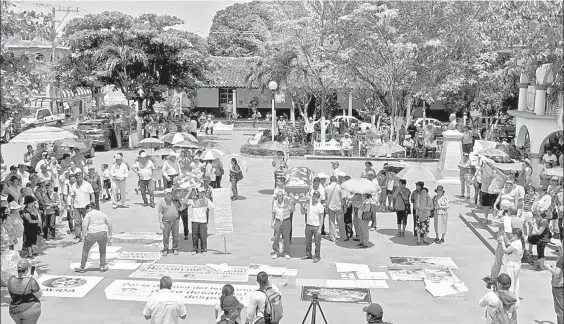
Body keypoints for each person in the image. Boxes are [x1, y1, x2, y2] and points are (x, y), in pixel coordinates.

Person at [75, 203, 112, 273]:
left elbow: (84, 226)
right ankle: (102, 266)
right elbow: (109, 223)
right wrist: (110, 234)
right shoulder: (102, 214)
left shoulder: (88, 215)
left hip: (92, 233)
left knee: (86, 249)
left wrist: (83, 236)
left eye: (87, 210)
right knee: (102, 250)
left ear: (89, 208)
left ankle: (82, 267)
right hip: (102, 233)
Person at [7, 259, 42, 324]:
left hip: (14, 310)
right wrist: (36, 279)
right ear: (28, 269)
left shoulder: (11, 279)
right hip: (29, 310)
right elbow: (39, 294)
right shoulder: (31, 281)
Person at [184, 187, 214, 255]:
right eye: (200, 192)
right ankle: (195, 249)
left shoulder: (207, 200)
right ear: (198, 193)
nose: (202, 193)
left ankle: (204, 250)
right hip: (195, 220)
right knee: (195, 237)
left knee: (203, 236)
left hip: (203, 221)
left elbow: (212, 207)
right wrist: (190, 192)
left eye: (203, 192)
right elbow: (185, 201)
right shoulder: (193, 200)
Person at [498, 228, 523, 301]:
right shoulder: (517, 242)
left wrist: (502, 242)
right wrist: (505, 236)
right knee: (515, 281)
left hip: (512, 264)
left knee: (511, 281)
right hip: (516, 263)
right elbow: (509, 245)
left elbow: (506, 250)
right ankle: (515, 296)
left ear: (515, 235)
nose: (510, 235)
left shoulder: (516, 243)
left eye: (512, 234)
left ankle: (510, 297)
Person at [70, 172, 95, 241]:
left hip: (86, 206)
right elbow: (72, 197)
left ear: (82, 177)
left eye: (80, 177)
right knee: (77, 222)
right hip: (77, 207)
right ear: (76, 178)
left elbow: (92, 194)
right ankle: (78, 236)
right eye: (77, 178)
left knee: (87, 221)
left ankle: (89, 235)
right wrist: (71, 207)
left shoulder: (87, 184)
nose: (79, 179)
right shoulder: (73, 186)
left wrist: (92, 204)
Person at [271, 191, 295, 260]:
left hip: (286, 221)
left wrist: (290, 203)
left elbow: (293, 209)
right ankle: (276, 252)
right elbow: (273, 213)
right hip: (278, 221)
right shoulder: (275, 203)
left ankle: (286, 252)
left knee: (286, 237)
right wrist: (272, 222)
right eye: (278, 196)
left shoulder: (287, 202)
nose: (280, 198)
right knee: (276, 237)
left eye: (281, 196)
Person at [301, 191, 324, 262]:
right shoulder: (308, 203)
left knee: (317, 242)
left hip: (316, 226)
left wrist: (320, 228)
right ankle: (308, 254)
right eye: (313, 196)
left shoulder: (320, 206)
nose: (314, 198)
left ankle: (317, 256)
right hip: (308, 225)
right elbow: (303, 212)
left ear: (318, 198)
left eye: (316, 197)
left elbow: (321, 218)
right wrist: (301, 205)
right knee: (308, 241)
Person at [158, 189, 181, 256]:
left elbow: (181, 208)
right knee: (166, 236)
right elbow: (159, 213)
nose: (168, 195)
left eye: (170, 194)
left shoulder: (175, 201)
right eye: (167, 194)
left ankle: (175, 248)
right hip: (166, 221)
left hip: (175, 220)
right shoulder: (162, 202)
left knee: (176, 236)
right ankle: (165, 249)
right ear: (165, 195)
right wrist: (161, 224)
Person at [545, 252, 563, 324]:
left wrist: (549, 268)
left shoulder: (562, 258)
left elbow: (556, 273)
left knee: (560, 311)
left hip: (560, 286)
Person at [324, 175, 342, 242]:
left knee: (331, 222)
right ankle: (342, 236)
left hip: (330, 206)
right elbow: (341, 197)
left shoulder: (327, 188)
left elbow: (325, 198)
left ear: (330, 180)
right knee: (340, 222)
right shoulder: (339, 187)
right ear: (336, 180)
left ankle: (332, 237)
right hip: (338, 206)